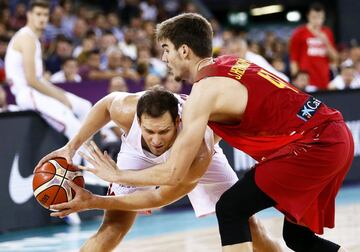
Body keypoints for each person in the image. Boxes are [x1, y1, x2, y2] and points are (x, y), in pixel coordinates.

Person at [68, 13, 353, 252]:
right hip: (332, 134)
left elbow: (172, 175)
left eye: (166, 49)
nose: (164, 57)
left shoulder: (203, 93)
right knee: (297, 238)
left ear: (184, 50)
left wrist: (117, 176)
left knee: (231, 209)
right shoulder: (230, 63)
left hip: (314, 144)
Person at [38, 88, 282, 252]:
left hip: (188, 157)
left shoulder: (199, 147)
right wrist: (70, 148)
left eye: (163, 131)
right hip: (136, 156)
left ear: (177, 122)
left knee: (246, 223)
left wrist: (94, 200)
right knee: (114, 226)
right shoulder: (126, 110)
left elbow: (159, 197)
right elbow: (105, 105)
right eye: (149, 131)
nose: (156, 140)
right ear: (138, 121)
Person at [4, 0, 91, 144]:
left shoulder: (35, 39)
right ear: (29, 15)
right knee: (74, 128)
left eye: (45, 14)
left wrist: (61, 94)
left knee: (85, 107)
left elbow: (39, 79)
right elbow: (31, 80)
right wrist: (61, 97)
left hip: (37, 91)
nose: (42, 18)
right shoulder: (26, 38)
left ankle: (89, 163)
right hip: (28, 94)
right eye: (38, 14)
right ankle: (73, 165)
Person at [289, 2, 338, 90]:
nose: (317, 20)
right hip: (306, 81)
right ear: (308, 16)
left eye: (320, 17)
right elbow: (294, 60)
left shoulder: (327, 32)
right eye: (314, 17)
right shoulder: (299, 32)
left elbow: (335, 58)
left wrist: (326, 41)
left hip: (324, 79)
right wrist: (295, 81)